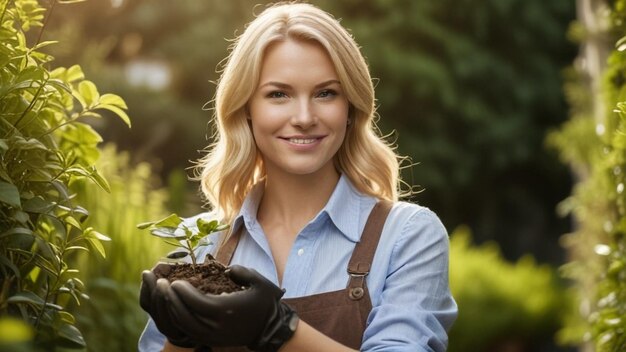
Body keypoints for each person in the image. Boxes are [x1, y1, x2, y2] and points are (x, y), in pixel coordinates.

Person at [138, 2, 457, 352]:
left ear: (350, 108)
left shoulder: (408, 236)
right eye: (279, 94)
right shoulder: (200, 244)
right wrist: (182, 335)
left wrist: (277, 329)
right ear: (246, 110)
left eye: (326, 93)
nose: (304, 116)